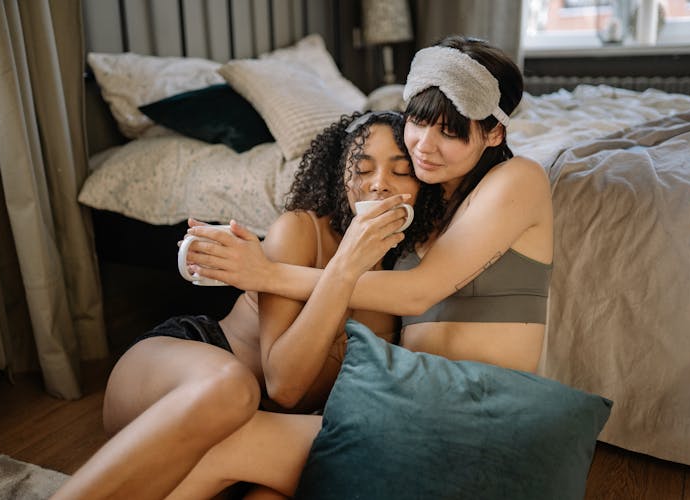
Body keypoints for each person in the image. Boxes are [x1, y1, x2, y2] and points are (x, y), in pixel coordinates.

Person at [151, 34, 554, 499]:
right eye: (419, 122)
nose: (424, 146)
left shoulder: (518, 179)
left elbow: (419, 293)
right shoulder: (420, 213)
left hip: (474, 411)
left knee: (226, 449)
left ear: (494, 133)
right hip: (410, 405)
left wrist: (264, 274)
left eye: (451, 131)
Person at [52, 110, 444, 499]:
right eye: (361, 168)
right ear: (339, 175)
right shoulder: (301, 230)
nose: (379, 185)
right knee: (233, 387)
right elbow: (285, 386)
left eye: (400, 170)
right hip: (182, 375)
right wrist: (346, 265)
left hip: (260, 430)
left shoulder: (412, 270)